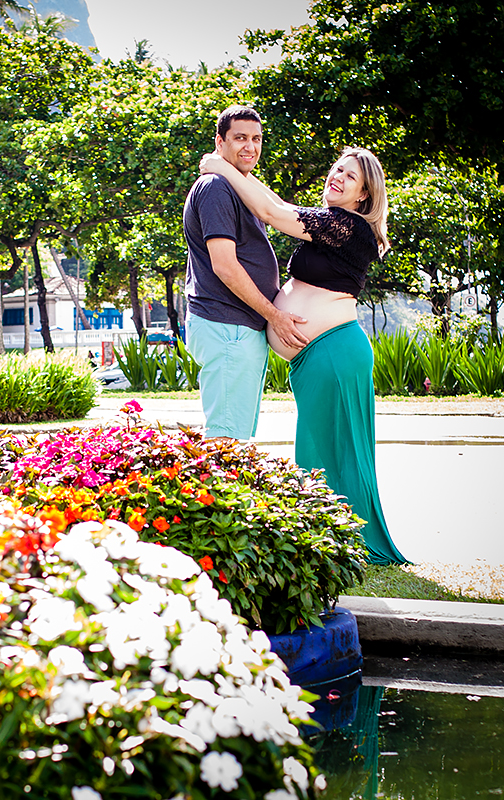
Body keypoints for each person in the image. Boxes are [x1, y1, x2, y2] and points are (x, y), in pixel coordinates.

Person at [199, 146, 409, 565]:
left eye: (350, 176)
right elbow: (275, 203)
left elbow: (272, 212)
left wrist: (221, 166)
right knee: (322, 448)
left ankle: (347, 540)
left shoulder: (349, 227)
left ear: (364, 195)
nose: (338, 177)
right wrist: (236, 171)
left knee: (331, 450)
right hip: (319, 355)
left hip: (334, 351)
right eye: (337, 169)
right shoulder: (331, 221)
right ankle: (333, 536)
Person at [182, 106, 308, 439]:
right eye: (240, 138)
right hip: (227, 327)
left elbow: (277, 208)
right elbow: (224, 266)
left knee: (234, 438)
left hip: (237, 330)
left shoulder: (235, 186)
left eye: (256, 139)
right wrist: (275, 316)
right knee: (225, 440)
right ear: (219, 142)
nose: (250, 147)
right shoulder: (215, 188)